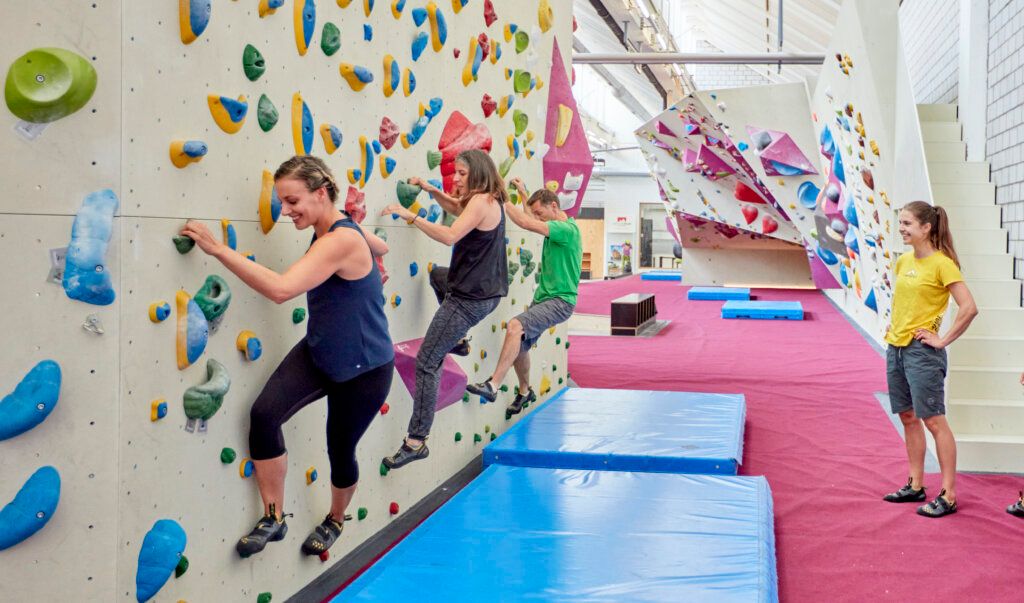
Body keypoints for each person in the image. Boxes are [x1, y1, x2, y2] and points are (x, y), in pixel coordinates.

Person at [180, 155, 394, 558]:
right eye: (282, 202)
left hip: (365, 369)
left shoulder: (340, 239)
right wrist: (368, 240)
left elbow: (281, 290)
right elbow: (381, 245)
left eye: (293, 201)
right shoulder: (337, 228)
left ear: (321, 193)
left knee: (339, 449)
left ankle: (335, 519)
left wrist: (218, 250)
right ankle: (273, 518)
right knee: (263, 415)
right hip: (321, 350)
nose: (286, 211)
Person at [378, 149, 508, 469]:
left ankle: (416, 440)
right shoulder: (487, 199)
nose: (456, 179)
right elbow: (457, 208)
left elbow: (450, 235)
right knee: (438, 275)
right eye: (456, 173)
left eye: (462, 174)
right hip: (485, 292)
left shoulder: (481, 202)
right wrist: (430, 190)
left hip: (469, 299)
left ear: (478, 173)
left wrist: (411, 216)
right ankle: (458, 341)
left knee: (427, 361)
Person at [882, 200, 977, 518]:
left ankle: (948, 495)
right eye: (901, 223)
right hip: (896, 348)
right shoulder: (903, 261)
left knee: (934, 420)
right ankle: (915, 484)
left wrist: (942, 339)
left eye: (907, 223)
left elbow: (969, 308)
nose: (901, 228)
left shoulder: (942, 264)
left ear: (926, 228)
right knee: (908, 417)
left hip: (922, 353)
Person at [466, 178, 581, 416]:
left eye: (541, 213)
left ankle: (493, 384)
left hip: (559, 301)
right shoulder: (556, 227)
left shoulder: (566, 230)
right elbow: (532, 218)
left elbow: (527, 223)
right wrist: (523, 193)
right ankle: (525, 391)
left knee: (515, 327)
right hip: (545, 299)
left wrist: (503, 198)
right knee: (519, 344)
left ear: (554, 206)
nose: (538, 218)